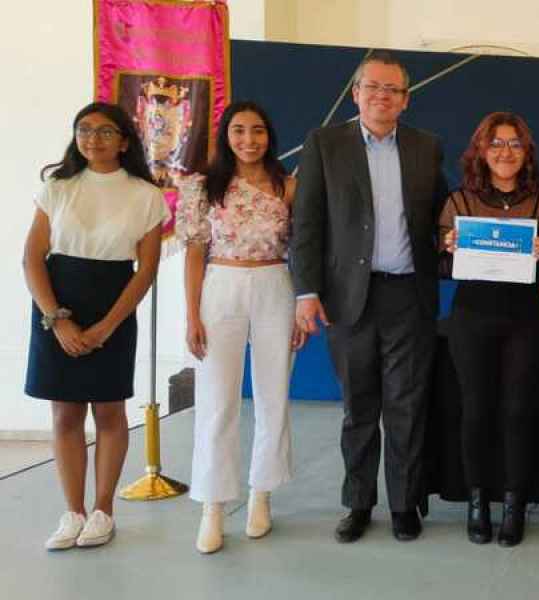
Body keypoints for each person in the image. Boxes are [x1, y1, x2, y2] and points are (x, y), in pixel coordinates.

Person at [290, 50, 446, 543]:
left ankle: (403, 504)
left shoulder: (426, 147)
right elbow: (307, 223)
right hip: (347, 298)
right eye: (372, 87)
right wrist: (306, 292)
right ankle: (358, 503)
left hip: (409, 295)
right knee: (358, 408)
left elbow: (442, 217)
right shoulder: (325, 144)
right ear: (356, 93)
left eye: (392, 89)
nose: (382, 96)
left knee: (405, 406)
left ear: (405, 99)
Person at [23, 102, 165, 550]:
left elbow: (145, 270)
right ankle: (73, 512)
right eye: (84, 129)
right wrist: (56, 320)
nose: (92, 138)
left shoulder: (145, 194)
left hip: (113, 304)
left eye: (105, 131)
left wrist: (106, 327)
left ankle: (103, 511)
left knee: (108, 410)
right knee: (65, 412)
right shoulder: (57, 187)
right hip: (57, 302)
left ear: (123, 141)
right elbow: (32, 259)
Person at [178, 101, 307, 554]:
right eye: (238, 130)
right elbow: (195, 252)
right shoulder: (202, 186)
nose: (248, 140)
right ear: (225, 135)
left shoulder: (288, 186)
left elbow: (302, 250)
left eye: (257, 131)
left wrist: (302, 306)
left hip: (275, 284)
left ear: (269, 136)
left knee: (273, 394)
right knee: (216, 399)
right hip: (221, 285)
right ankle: (212, 506)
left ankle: (261, 494)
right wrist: (192, 315)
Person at [440, 111, 539, 547]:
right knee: (475, 411)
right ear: (481, 150)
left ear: (526, 152)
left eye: (514, 143)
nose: (505, 152)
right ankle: (477, 502)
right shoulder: (459, 202)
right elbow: (443, 268)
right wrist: (449, 248)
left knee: (517, 412)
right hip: (471, 319)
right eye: (496, 143)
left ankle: (514, 504)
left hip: (523, 321)